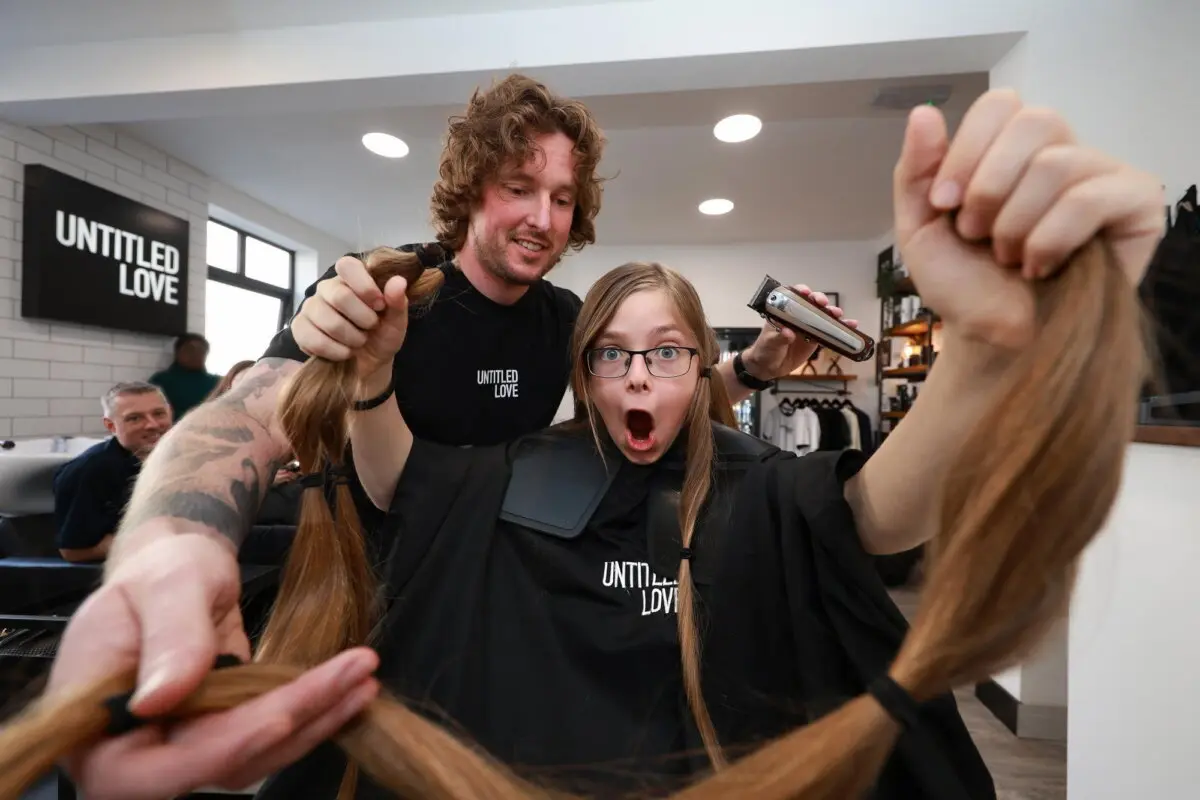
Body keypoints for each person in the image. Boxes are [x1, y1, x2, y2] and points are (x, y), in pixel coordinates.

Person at [36, 90, 1163, 799]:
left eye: (563, 197)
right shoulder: (385, 292)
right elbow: (265, 414)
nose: (541, 213)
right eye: (518, 185)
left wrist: (957, 357)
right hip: (410, 611)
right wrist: (172, 548)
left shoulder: (571, 332)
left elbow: (826, 493)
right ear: (469, 188)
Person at [52, 382, 173, 563]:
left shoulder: (178, 459)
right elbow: (73, 552)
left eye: (158, 413)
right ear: (111, 426)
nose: (152, 424)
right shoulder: (90, 471)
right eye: (134, 418)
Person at [149, 333, 221, 418]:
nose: (196, 354)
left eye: (201, 350)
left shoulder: (217, 382)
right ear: (177, 352)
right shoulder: (161, 381)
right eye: (191, 350)